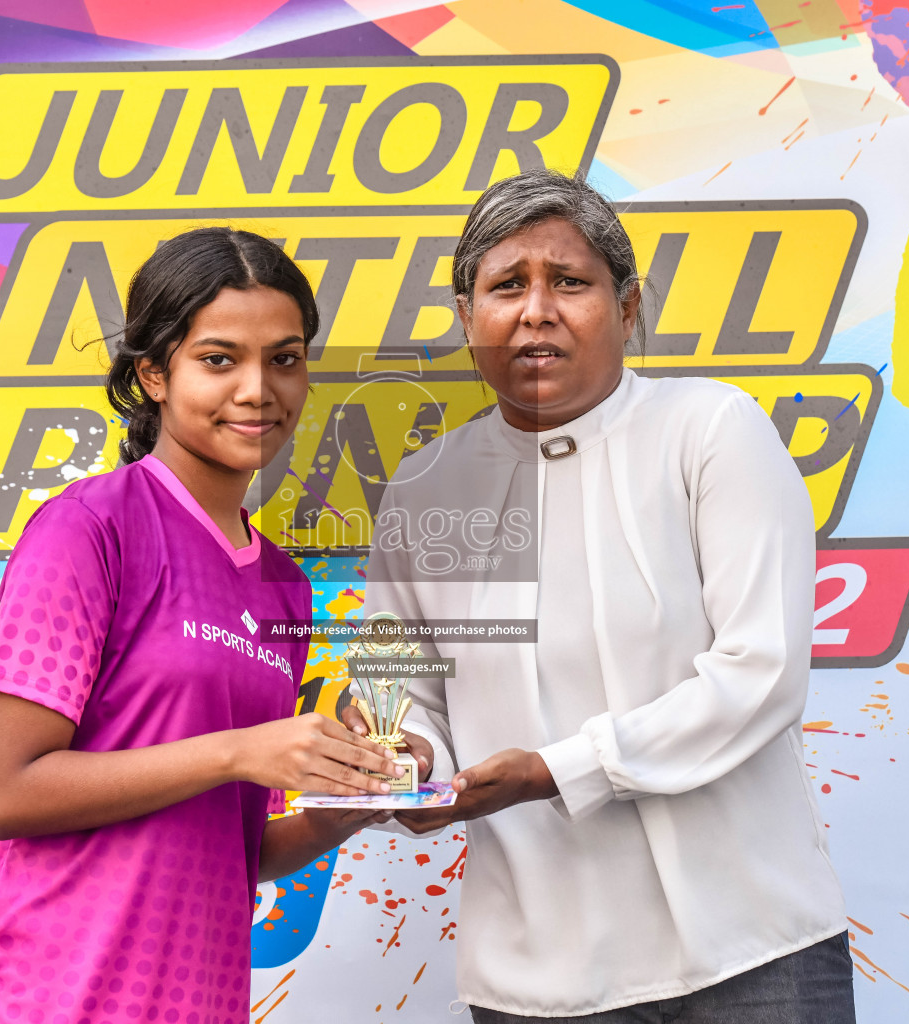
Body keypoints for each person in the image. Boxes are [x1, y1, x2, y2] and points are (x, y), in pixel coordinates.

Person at [343, 171, 856, 1022]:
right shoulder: (425, 488)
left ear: (626, 309)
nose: (536, 310)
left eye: (569, 283)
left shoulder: (709, 430)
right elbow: (397, 685)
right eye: (506, 286)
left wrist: (555, 768)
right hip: (539, 975)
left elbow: (760, 672)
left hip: (752, 949)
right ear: (468, 319)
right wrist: (405, 758)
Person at [0, 227, 401, 1024]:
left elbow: (235, 848)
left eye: (284, 359)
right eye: (219, 359)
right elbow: (10, 792)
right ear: (154, 374)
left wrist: (356, 798)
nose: (257, 389)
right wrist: (242, 750)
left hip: (191, 997)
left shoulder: (282, 585)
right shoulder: (88, 529)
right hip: (42, 991)